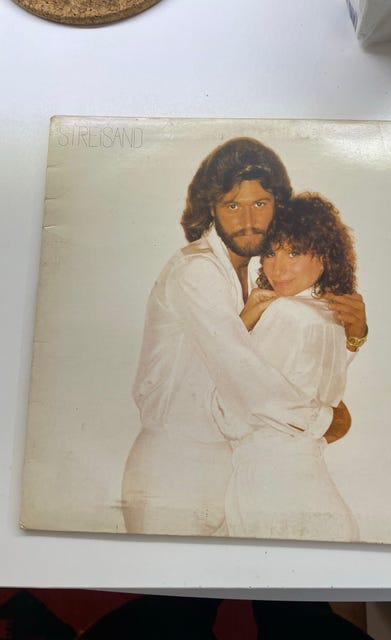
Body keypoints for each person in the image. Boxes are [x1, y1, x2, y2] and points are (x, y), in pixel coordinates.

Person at [121, 137, 367, 536]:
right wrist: (325, 420)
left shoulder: (260, 275)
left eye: (260, 203)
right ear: (211, 209)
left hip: (235, 471)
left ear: (277, 205)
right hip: (177, 469)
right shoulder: (197, 271)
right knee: (170, 581)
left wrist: (354, 338)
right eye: (233, 205)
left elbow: (289, 360)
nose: (248, 220)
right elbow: (242, 373)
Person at [224, 193, 363, 541]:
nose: (278, 268)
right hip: (298, 472)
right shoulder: (330, 314)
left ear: (324, 256)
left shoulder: (286, 313)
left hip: (270, 478)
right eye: (271, 253)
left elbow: (226, 408)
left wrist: (240, 326)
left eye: (294, 252)